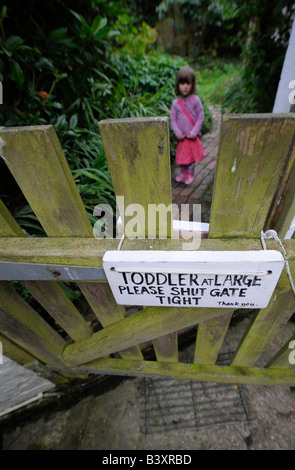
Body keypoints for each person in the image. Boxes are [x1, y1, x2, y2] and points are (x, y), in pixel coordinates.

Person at [170, 66, 206, 185]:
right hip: (181, 137)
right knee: (181, 157)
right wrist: (178, 133)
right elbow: (173, 119)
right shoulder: (176, 103)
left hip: (191, 136)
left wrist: (194, 132)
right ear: (178, 85)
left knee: (190, 158)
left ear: (193, 84)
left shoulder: (195, 100)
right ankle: (183, 173)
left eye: (188, 83)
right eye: (182, 83)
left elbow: (201, 117)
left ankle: (190, 174)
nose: (185, 86)